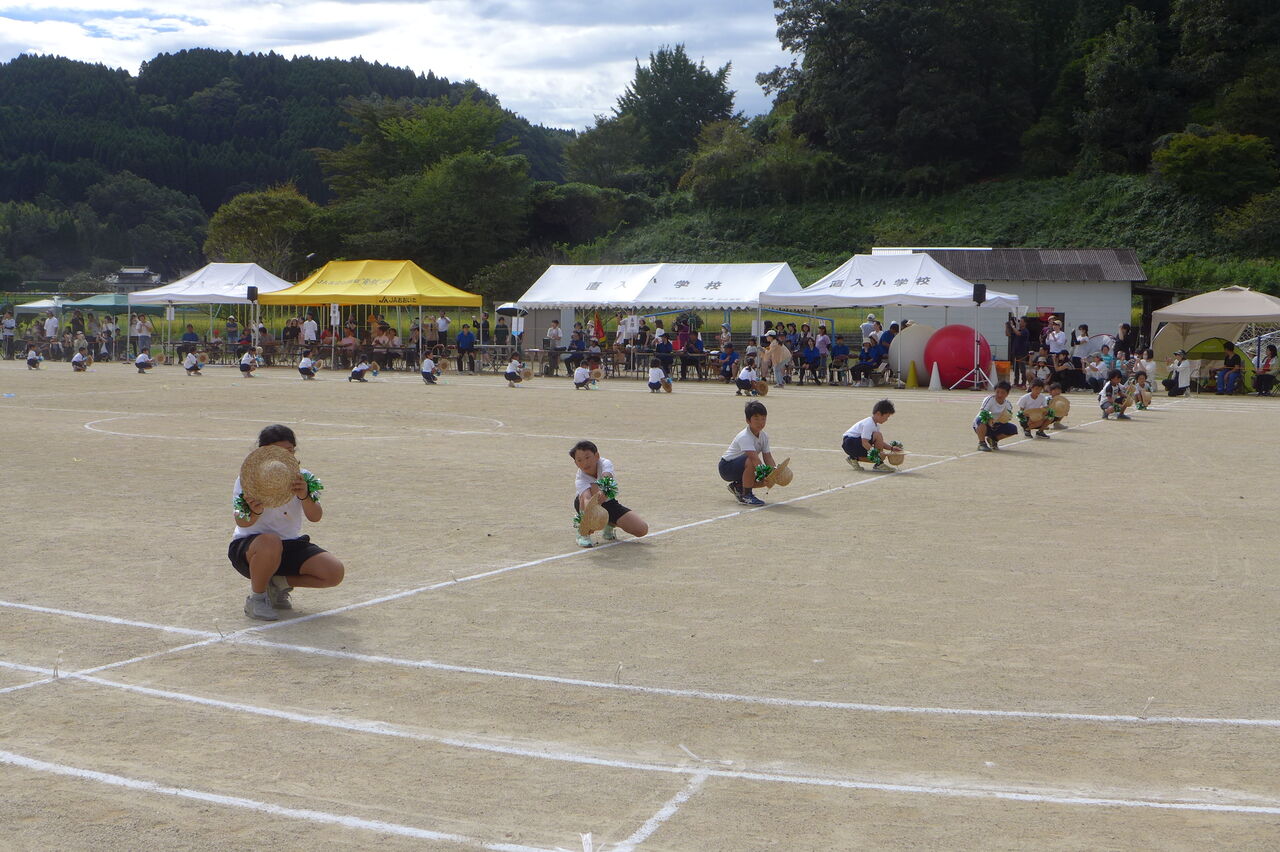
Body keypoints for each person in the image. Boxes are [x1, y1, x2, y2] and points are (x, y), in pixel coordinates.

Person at [230, 425, 344, 620]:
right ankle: (257, 599)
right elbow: (242, 522)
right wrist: (255, 511)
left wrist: (305, 496)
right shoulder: (247, 479)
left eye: (290, 451)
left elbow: (315, 517)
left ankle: (277, 584)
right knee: (270, 541)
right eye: (279, 452)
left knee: (333, 572)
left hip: (289, 545)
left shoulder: (303, 477)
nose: (286, 456)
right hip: (251, 549)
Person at [570, 440, 648, 548]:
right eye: (579, 460)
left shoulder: (605, 463)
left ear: (597, 456)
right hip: (586, 504)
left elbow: (607, 478)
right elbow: (586, 498)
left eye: (587, 457)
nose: (584, 463)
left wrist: (603, 491)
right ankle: (583, 533)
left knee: (641, 529)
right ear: (576, 463)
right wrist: (589, 517)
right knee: (592, 490)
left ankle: (609, 523)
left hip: (609, 502)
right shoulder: (580, 478)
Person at [719, 400, 775, 506]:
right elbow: (754, 459)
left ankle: (738, 486)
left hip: (741, 466)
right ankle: (746, 495)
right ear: (748, 420)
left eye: (763, 418)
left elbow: (768, 457)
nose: (760, 422)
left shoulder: (764, 436)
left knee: (765, 480)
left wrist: (774, 472)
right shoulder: (745, 436)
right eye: (756, 419)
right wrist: (764, 474)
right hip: (726, 467)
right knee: (752, 462)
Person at [842, 399, 900, 471]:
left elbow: (879, 442)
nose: (887, 419)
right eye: (887, 416)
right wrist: (876, 454)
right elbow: (864, 442)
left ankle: (853, 458)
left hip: (853, 444)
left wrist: (891, 448)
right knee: (878, 438)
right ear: (878, 414)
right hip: (850, 442)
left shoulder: (875, 425)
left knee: (881, 456)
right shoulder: (869, 424)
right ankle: (879, 464)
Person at [974, 381, 1018, 451]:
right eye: (997, 392)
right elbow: (983, 412)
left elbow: (1007, 417)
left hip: (996, 424)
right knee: (981, 419)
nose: (999, 395)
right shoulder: (989, 399)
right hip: (984, 424)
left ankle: (993, 439)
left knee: (1013, 429)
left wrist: (1004, 419)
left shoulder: (1008, 404)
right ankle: (982, 443)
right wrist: (990, 420)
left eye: (1003, 393)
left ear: (1007, 394)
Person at [1007, 316, 1030, 386]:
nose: (1020, 323)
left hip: (1022, 352)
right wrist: (1007, 327)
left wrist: (1013, 326)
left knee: (1022, 368)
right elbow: (1008, 334)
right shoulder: (1018, 330)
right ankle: (1016, 382)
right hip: (1015, 351)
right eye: (1020, 321)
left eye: (1021, 321)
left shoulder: (1025, 331)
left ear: (1025, 323)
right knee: (1015, 368)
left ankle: (1023, 382)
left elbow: (1018, 334)